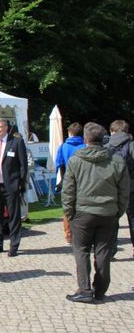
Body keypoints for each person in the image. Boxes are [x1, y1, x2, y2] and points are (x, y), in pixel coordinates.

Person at [62, 122, 129, 303]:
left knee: (81, 251)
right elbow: (124, 191)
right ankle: (99, 290)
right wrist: (118, 212)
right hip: (107, 213)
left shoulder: (76, 160)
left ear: (85, 139)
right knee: (103, 252)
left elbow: (68, 190)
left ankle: (85, 289)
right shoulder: (116, 160)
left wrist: (69, 213)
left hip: (83, 213)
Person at [0, 118, 28, 257]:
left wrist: (20, 184)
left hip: (10, 186)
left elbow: (23, 166)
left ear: (6, 127)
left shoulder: (16, 142)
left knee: (14, 217)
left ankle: (14, 245)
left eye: (0, 127)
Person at [106, 119, 134, 259]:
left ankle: (110, 251)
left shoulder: (106, 147)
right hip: (131, 188)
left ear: (112, 131)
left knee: (111, 220)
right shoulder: (132, 145)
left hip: (111, 188)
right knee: (133, 219)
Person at [55, 122, 86, 244]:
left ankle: (69, 235)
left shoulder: (63, 147)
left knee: (67, 208)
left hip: (68, 181)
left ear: (69, 133)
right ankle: (82, 233)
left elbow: (59, 164)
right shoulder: (85, 146)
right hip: (83, 181)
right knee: (82, 208)